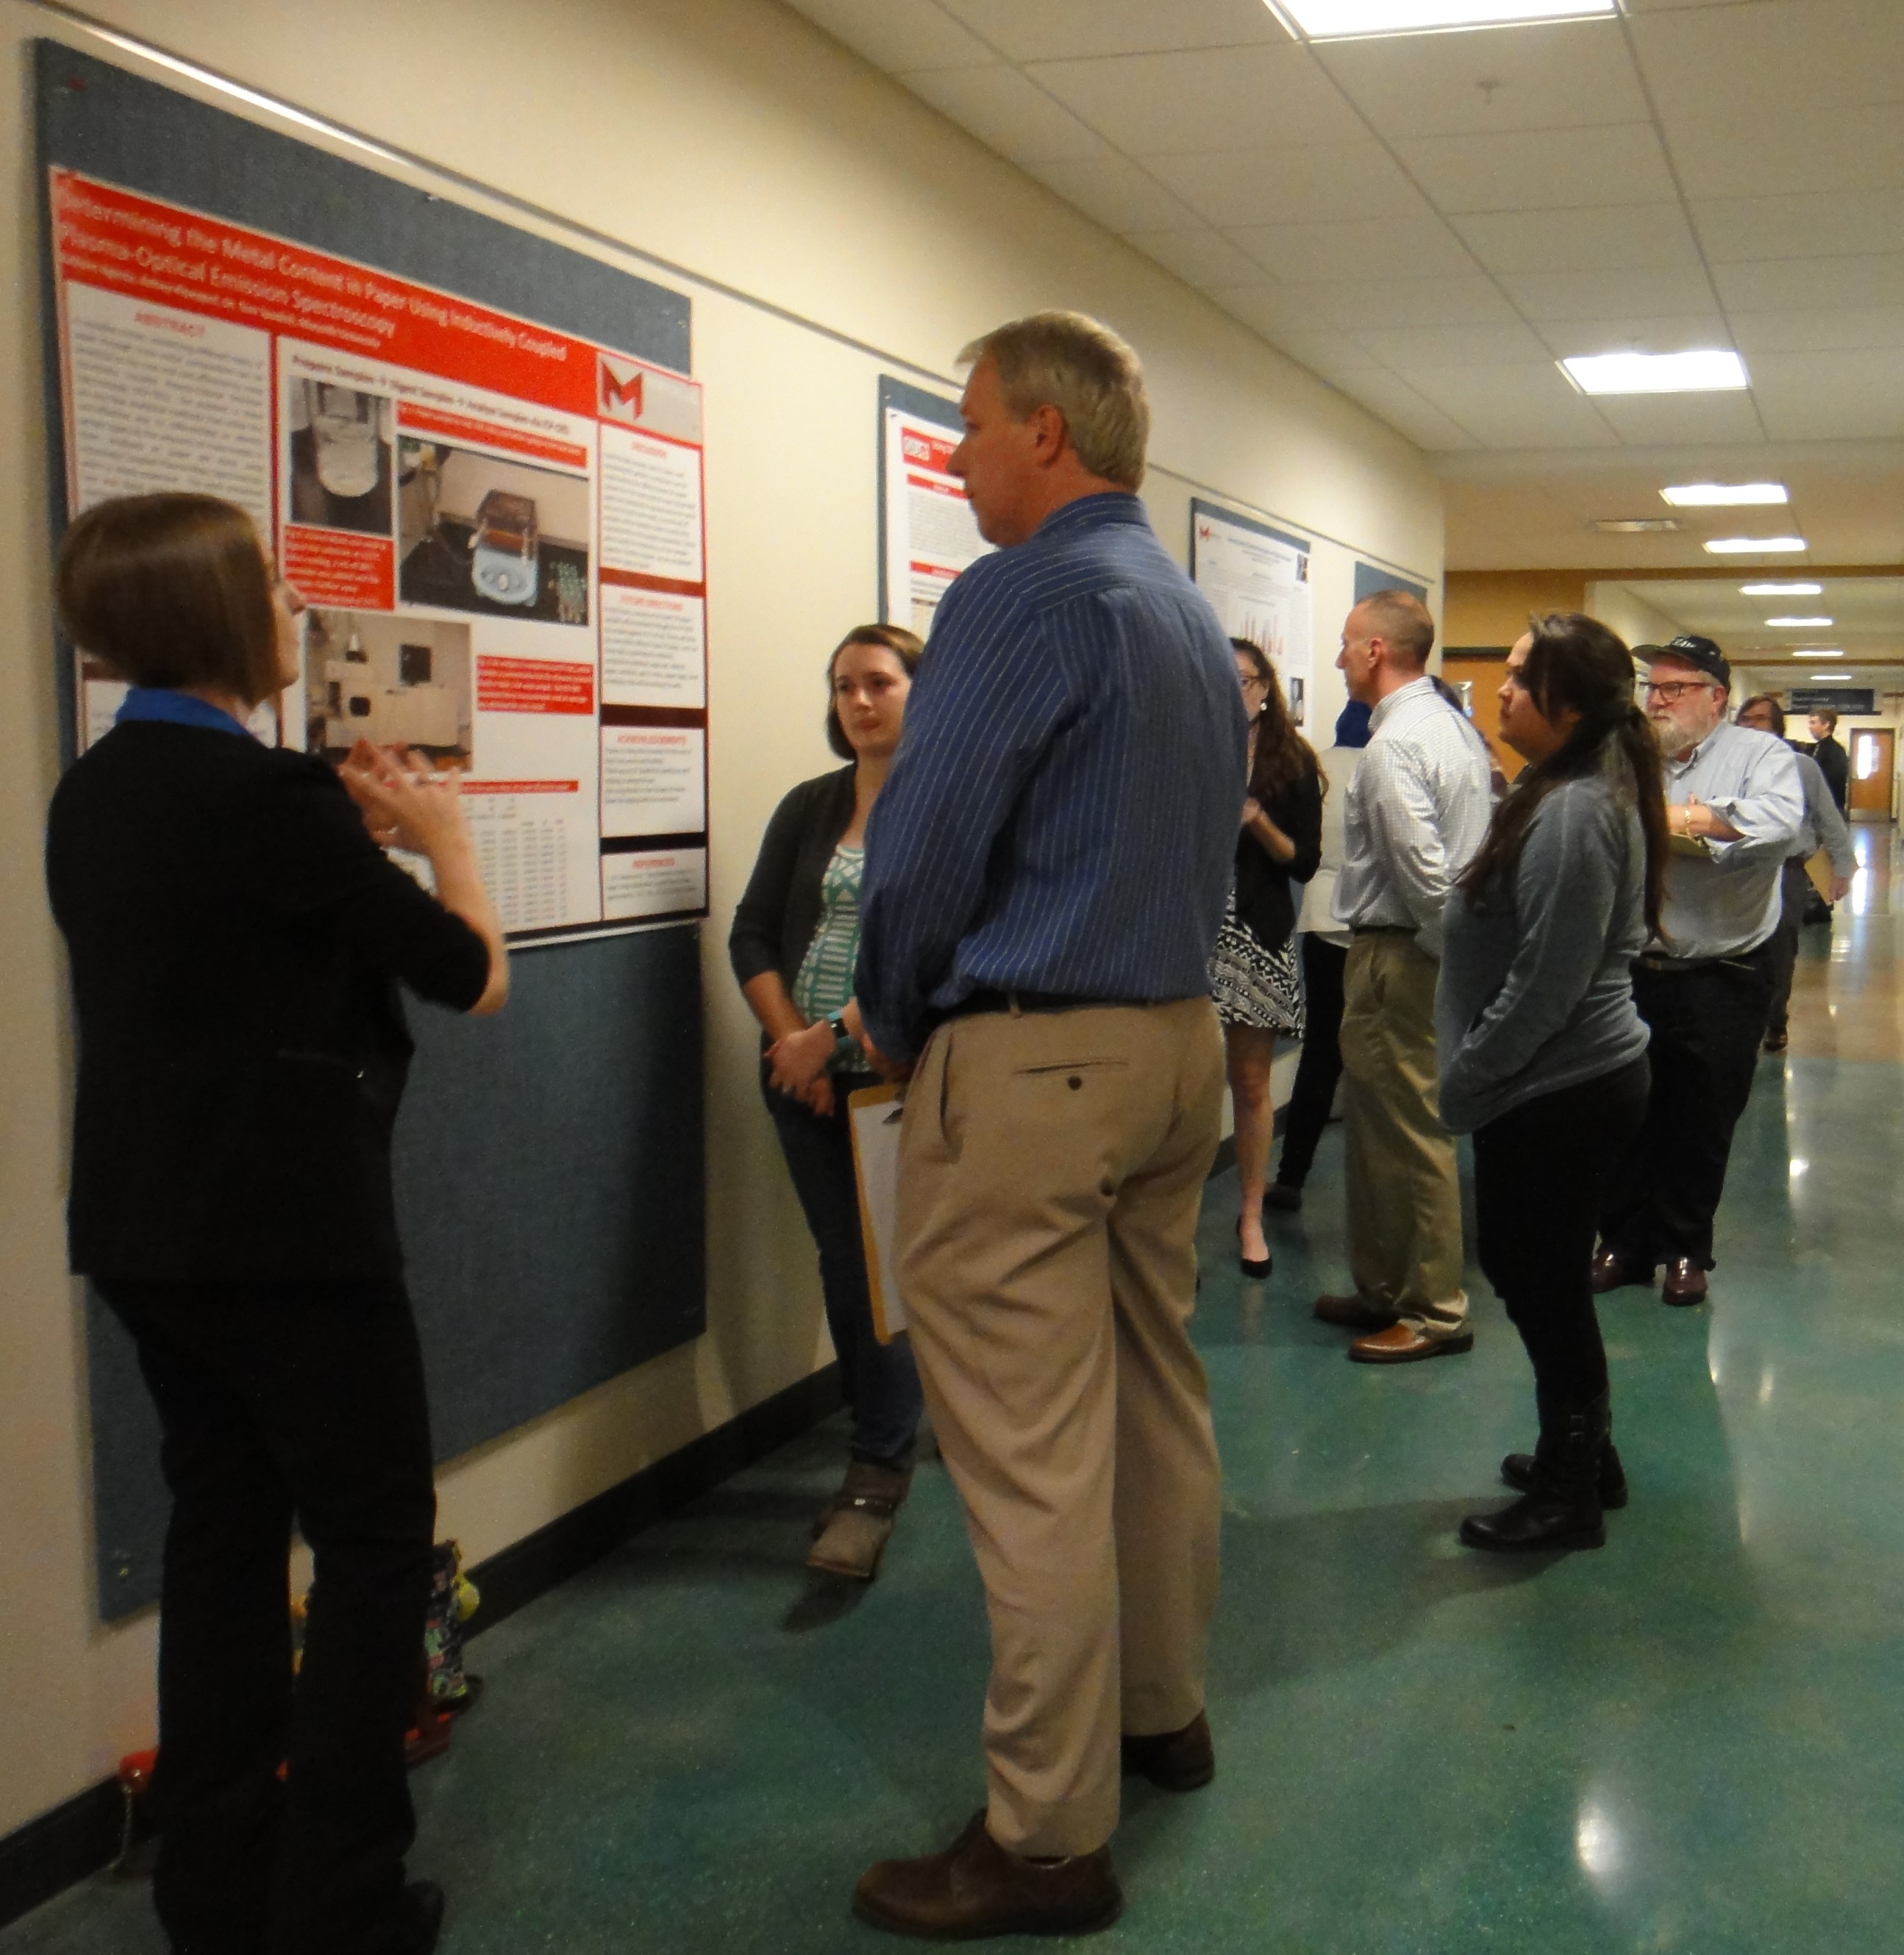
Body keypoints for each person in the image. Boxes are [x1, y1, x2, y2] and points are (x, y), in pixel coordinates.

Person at [43, 493, 509, 1955]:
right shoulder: (274, 808)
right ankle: (342, 1902)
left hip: (144, 1234)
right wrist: (441, 838)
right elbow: (465, 972)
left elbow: (228, 944)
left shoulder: (96, 791)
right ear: (220, 621)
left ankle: (217, 1889)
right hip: (292, 1244)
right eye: (269, 582)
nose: (291, 604)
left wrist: (344, 834)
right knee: (375, 1550)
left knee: (219, 1546)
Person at [849, 311, 1243, 1941]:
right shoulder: (1177, 607)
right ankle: (1162, 1716)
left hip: (1030, 1065)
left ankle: (1044, 1837)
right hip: (1172, 1047)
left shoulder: (1020, 593)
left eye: (970, 425)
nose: (953, 454)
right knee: (1153, 1397)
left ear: (1047, 438)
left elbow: (924, 849)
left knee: (1026, 1464)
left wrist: (887, 1007)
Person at [1437, 616, 1664, 1554]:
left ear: (1566, 705)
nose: (1500, 689)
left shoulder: (1574, 809)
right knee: (1539, 1276)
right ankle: (1583, 1455)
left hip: (1557, 1084)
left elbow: (1548, 982)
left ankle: (1571, 1490)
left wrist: (1471, 1076)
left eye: (1520, 678)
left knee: (1541, 1284)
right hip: (1550, 1083)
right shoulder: (1561, 786)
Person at [728, 623, 927, 1580]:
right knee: (845, 1264)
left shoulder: (937, 808)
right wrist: (789, 1043)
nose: (859, 700)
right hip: (798, 1081)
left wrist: (831, 1037)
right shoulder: (810, 804)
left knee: (882, 1276)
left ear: (917, 692)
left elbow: (927, 947)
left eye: (879, 682)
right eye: (844, 684)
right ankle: (883, 1430)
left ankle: (878, 1463)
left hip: (891, 1074)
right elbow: (753, 931)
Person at [1593, 636, 1803, 1307]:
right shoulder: (1628, 757)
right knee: (1626, 1113)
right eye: (1651, 687)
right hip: (1632, 969)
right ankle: (1624, 1243)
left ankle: (1685, 1247)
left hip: (1723, 972)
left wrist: (1673, 817)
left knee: (1701, 1119)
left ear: (1717, 696)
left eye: (1673, 688)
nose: (1656, 700)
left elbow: (1773, 829)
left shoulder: (1761, 755)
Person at [1313, 590, 1492, 1363]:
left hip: (1403, 953)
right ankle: (1384, 1286)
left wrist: (1437, 960)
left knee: (1411, 1134)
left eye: (1348, 644)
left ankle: (1432, 1310)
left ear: (1378, 651)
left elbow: (1424, 877)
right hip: (1421, 951)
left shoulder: (1393, 747)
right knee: (1380, 1133)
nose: (1340, 658)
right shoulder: (1453, 728)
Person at [1207, 637, 1322, 1275]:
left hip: (1255, 927)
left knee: (1249, 1082)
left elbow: (1302, 859)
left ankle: (1251, 1212)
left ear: (1263, 689)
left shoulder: (1290, 761)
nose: (1228, 690)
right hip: (1190, 929)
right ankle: (1170, 1218)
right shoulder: (1187, 746)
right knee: (1186, 1084)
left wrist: (1253, 817)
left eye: (1240, 679)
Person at [1266, 700, 1372, 1212]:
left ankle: (1291, 1176)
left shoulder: (1318, 764)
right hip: (1379, 925)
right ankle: (1377, 1188)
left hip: (1324, 921)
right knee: (1382, 1057)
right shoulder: (1389, 763)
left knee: (1320, 1052)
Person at [1735, 694, 1855, 1054]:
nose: (1750, 726)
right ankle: (1741, 1018)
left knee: (1780, 946)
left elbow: (1829, 818)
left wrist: (1842, 867)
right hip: (1740, 869)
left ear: (1776, 728)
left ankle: (1775, 1021)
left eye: (1759, 719)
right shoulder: (1731, 768)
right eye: (1744, 719)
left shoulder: (1801, 766)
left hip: (1787, 870)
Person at [1803, 707, 1850, 815]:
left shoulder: (1835, 751)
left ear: (1826, 725)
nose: (1809, 727)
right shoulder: (1817, 748)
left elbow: (1831, 782)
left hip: (1829, 809)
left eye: (1813, 723)